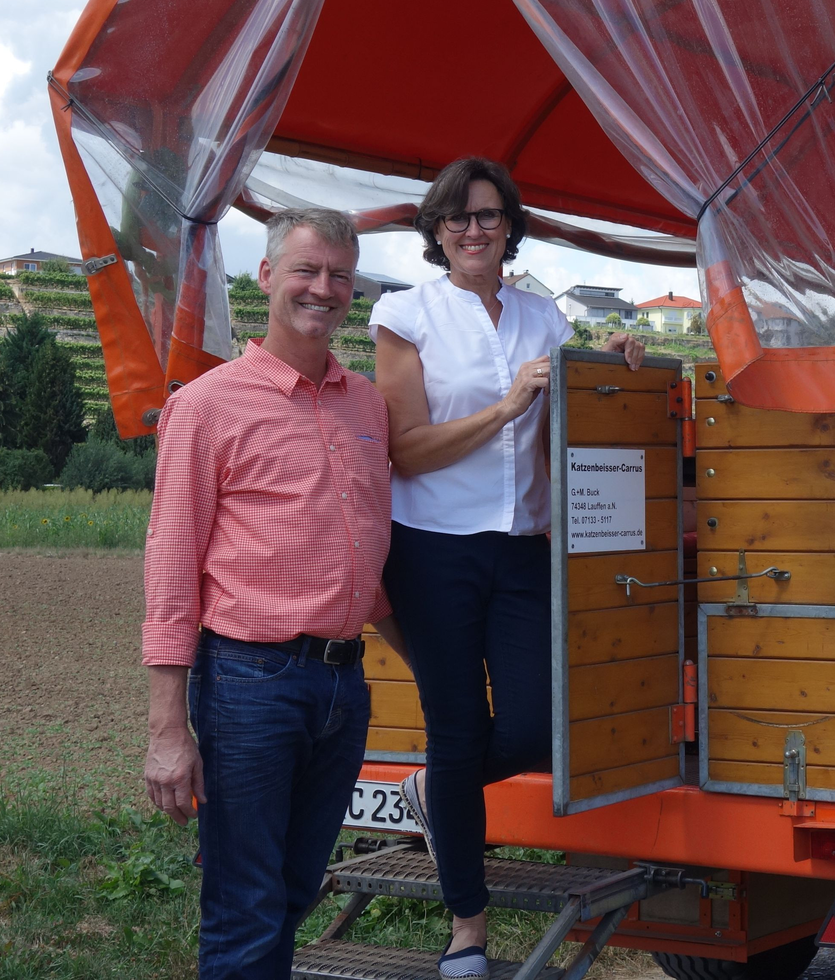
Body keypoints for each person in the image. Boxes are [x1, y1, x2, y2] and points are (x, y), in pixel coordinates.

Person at [372, 157, 642, 978]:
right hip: (433, 548)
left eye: (488, 215)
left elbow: (560, 411)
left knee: (529, 728)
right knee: (458, 731)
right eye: (457, 217)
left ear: (509, 226)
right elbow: (408, 452)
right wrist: (504, 408)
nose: (473, 229)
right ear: (435, 230)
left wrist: (605, 361)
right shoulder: (404, 313)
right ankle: (468, 929)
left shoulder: (542, 317)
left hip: (523, 546)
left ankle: (436, 790)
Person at [142, 207, 407, 979]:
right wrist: (167, 729)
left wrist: (435, 668)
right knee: (246, 907)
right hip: (249, 683)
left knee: (292, 895)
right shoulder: (207, 405)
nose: (323, 288)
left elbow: (367, 563)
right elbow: (171, 566)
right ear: (265, 276)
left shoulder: (366, 406)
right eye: (306, 270)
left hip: (342, 684)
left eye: (340, 275)